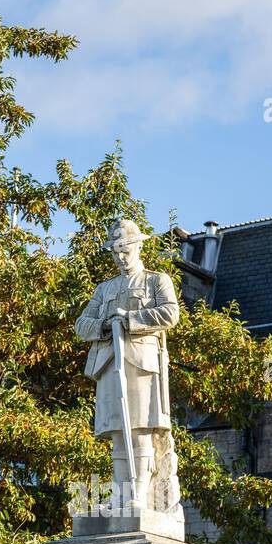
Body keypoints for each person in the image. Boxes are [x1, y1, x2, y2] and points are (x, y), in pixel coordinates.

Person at [75, 219, 180, 513]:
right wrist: (106, 325)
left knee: (140, 429)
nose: (120, 257)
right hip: (110, 363)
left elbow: (171, 314)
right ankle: (121, 496)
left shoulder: (156, 280)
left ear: (138, 246)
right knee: (118, 433)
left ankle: (140, 494)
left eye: (125, 250)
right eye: (115, 252)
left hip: (143, 364)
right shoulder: (104, 288)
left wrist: (131, 320)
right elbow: (81, 324)